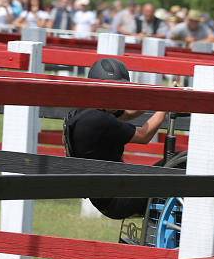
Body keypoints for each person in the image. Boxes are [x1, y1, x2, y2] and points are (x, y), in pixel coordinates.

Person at [65, 58, 179, 219]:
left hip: (108, 196)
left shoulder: (86, 110)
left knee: (174, 163)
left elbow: (128, 114)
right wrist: (168, 103)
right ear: (97, 88)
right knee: (179, 162)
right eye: (112, 90)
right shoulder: (99, 120)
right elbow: (144, 136)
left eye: (119, 90)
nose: (117, 96)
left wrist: (160, 99)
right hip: (119, 198)